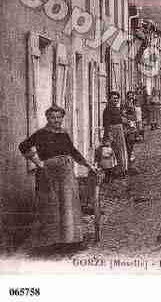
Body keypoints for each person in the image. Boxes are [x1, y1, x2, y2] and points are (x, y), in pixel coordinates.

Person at [19, 105, 97, 253]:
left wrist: (89, 165)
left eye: (59, 117)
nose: (56, 120)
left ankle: (70, 241)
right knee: (51, 206)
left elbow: (73, 152)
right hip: (48, 174)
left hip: (66, 173)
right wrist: (38, 162)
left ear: (62, 118)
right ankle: (52, 243)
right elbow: (23, 146)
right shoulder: (40, 134)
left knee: (69, 205)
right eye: (53, 117)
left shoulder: (64, 134)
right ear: (47, 118)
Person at [103, 91, 129, 178]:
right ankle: (117, 171)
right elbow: (106, 124)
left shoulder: (116, 109)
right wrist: (109, 135)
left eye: (117, 98)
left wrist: (124, 121)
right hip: (113, 131)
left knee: (122, 150)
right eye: (114, 98)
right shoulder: (107, 110)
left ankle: (123, 170)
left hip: (119, 130)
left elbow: (119, 119)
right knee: (115, 151)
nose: (116, 100)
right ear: (109, 99)